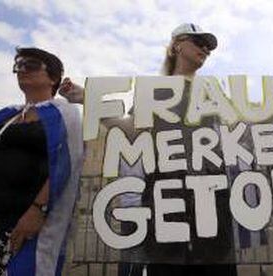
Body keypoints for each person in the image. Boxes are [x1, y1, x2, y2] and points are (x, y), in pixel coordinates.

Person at [59, 23, 237, 276]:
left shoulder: (213, 91)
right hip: (166, 191)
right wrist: (88, 99)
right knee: (166, 267)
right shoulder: (154, 91)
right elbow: (131, 130)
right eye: (199, 42)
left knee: (216, 266)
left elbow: (238, 133)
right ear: (177, 45)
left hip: (211, 191)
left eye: (208, 46)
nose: (205, 49)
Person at [0, 47, 83, 276]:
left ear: (53, 77)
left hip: (28, 222)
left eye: (30, 65)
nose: (21, 70)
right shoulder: (6, 115)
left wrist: (38, 210)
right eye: (18, 66)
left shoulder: (64, 114)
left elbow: (67, 164)